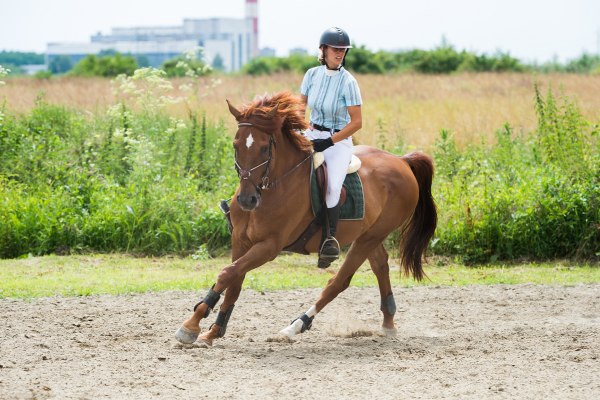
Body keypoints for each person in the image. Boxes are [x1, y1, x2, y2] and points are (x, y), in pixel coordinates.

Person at [300, 26, 363, 268]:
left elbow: (357, 122)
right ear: (323, 50)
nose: (340, 53)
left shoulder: (349, 82)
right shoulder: (311, 75)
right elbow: (300, 105)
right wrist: (301, 127)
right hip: (311, 131)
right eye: (335, 49)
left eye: (343, 50)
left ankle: (329, 239)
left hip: (338, 140)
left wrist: (329, 141)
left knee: (333, 186)